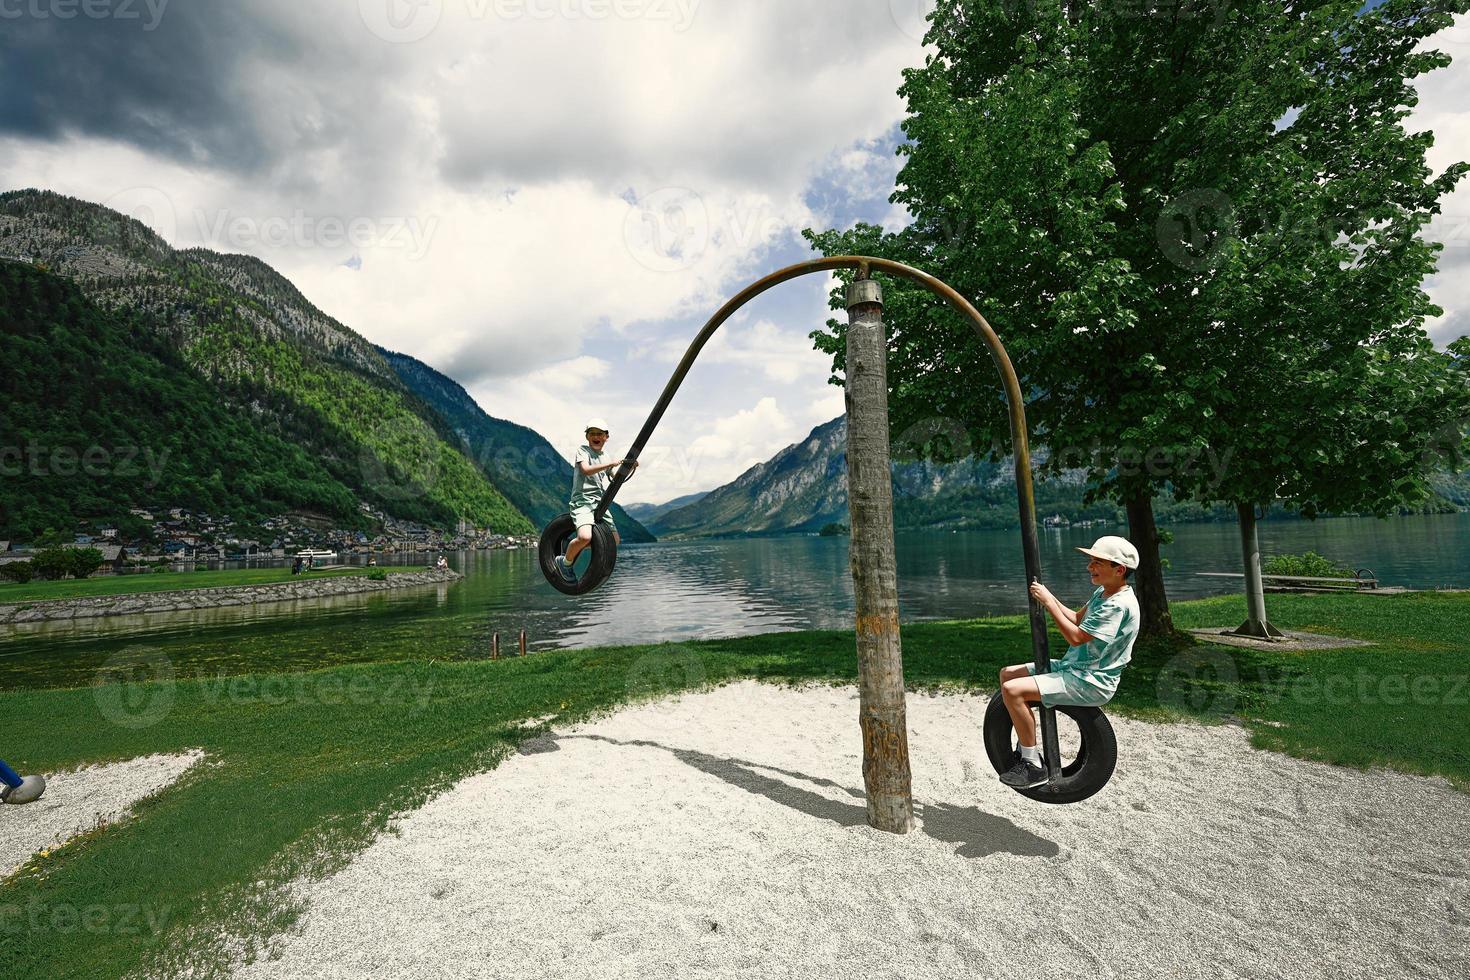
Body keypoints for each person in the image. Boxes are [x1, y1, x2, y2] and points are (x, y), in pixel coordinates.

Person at [996, 535, 1141, 789]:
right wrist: (1048, 595)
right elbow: (1075, 618)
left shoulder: (1118, 605)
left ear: (1119, 570)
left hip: (1092, 680)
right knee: (1008, 674)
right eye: (1091, 561)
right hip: (1075, 669)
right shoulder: (1104, 593)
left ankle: (1032, 766)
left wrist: (1049, 602)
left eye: (1097, 563)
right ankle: (1026, 745)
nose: (1089, 567)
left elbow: (1076, 637)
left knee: (1012, 690)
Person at [554, 418, 637, 583]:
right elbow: (585, 470)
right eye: (592, 433)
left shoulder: (605, 455)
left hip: (600, 502)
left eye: (600, 434)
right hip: (583, 501)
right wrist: (610, 464)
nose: (596, 436)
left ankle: (571, 545)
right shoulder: (583, 450)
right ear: (587, 437)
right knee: (585, 538)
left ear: (606, 437)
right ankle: (564, 563)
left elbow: (614, 478)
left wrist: (629, 468)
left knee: (614, 541)